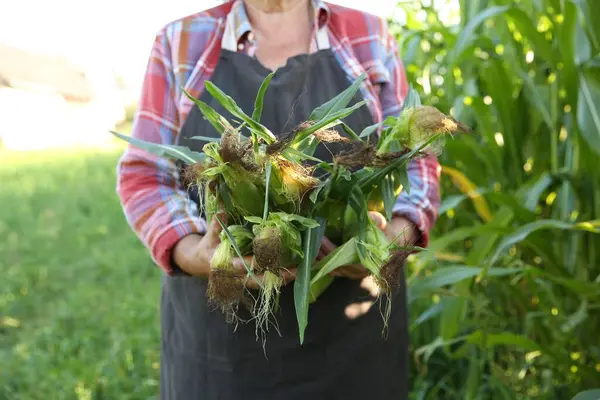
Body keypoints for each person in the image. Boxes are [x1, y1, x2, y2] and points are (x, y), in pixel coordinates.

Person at [116, 0, 440, 398]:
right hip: (222, 347)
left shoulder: (368, 34)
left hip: (354, 342)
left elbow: (418, 161)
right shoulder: (180, 42)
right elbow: (144, 175)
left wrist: (394, 238)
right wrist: (191, 252)